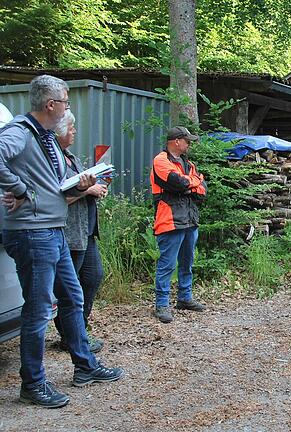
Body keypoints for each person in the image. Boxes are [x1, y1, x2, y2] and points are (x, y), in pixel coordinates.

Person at [0, 75, 123, 408]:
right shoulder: (19, 132)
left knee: (72, 297)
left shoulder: (47, 139)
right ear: (51, 104)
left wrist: (81, 184)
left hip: (54, 229)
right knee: (40, 310)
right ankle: (33, 385)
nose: (68, 107)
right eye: (66, 102)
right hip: (32, 232)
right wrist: (19, 190)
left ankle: (85, 366)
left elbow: (55, 185)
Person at [52, 110, 108, 353]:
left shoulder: (69, 156)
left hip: (86, 231)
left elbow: (82, 183)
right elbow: (58, 197)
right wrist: (88, 191)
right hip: (69, 233)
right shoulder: (52, 159)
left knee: (93, 276)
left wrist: (97, 184)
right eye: (71, 129)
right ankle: (70, 335)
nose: (74, 132)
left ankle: (78, 330)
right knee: (68, 288)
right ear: (59, 131)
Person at [150, 126, 207, 323]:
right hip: (170, 220)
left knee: (187, 262)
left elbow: (202, 190)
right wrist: (193, 183)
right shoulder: (161, 160)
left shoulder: (189, 164)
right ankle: (162, 304)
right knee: (167, 264)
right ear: (176, 141)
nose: (189, 144)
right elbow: (178, 182)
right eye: (187, 140)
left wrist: (191, 185)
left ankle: (184, 297)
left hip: (190, 219)